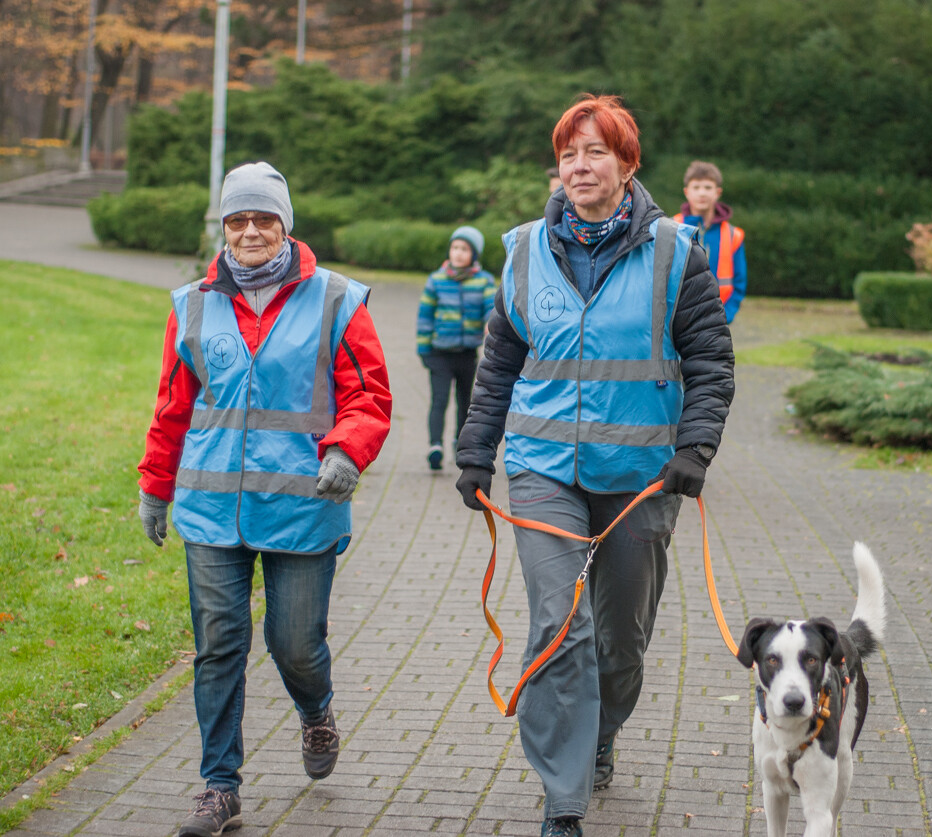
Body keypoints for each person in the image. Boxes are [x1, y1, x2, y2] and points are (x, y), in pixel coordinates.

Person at [455, 95, 735, 837]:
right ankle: (564, 797)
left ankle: (602, 728)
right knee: (559, 623)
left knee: (620, 641)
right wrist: (475, 452)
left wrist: (695, 448)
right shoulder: (522, 249)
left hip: (643, 474)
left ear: (627, 163)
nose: (580, 167)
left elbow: (710, 360)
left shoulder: (676, 252)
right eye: (569, 154)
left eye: (596, 153)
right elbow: (500, 361)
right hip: (543, 469)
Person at [135, 161, 392, 837]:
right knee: (218, 644)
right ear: (223, 227)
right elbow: (172, 407)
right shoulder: (192, 304)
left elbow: (369, 395)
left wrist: (347, 448)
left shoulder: (337, 300)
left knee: (294, 643)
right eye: (237, 219)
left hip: (302, 506)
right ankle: (220, 786)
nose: (250, 231)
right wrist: (155, 487)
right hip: (211, 508)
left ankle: (316, 713)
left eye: (263, 219)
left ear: (285, 226)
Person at [416, 225, 496, 470]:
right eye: (455, 247)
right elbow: (425, 316)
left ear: (474, 254)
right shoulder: (437, 280)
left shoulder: (484, 281)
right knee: (439, 400)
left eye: (464, 249)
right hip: (439, 353)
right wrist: (423, 348)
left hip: (466, 354)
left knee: (466, 402)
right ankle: (435, 446)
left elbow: (491, 309)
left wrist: (489, 325)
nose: (458, 253)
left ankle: (460, 443)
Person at [673, 160, 748, 324]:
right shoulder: (671, 228)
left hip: (718, 320)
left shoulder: (733, 235)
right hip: (678, 320)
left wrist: (725, 317)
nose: (702, 193)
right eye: (696, 187)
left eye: (707, 187)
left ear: (718, 192)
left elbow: (739, 283)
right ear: (686, 192)